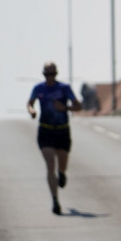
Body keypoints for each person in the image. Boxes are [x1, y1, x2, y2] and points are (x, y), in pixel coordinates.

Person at [27, 62, 82, 215]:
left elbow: (78, 106)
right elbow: (30, 103)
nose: (50, 77)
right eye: (47, 74)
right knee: (50, 163)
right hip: (46, 131)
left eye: (52, 74)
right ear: (43, 74)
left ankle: (62, 173)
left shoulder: (64, 88)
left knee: (61, 164)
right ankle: (55, 201)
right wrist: (32, 111)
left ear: (56, 74)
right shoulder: (39, 89)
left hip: (62, 131)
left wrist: (65, 108)